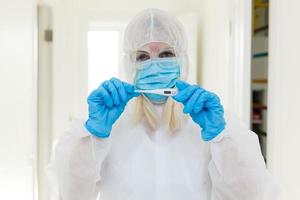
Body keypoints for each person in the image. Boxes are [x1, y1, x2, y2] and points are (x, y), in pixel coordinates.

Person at [51, 8, 278, 200]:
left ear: (182, 59)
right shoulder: (110, 123)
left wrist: (221, 137)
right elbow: (72, 194)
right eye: (142, 57)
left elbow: (251, 195)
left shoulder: (209, 120)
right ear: (129, 64)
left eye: (166, 53)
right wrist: (93, 135)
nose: (155, 64)